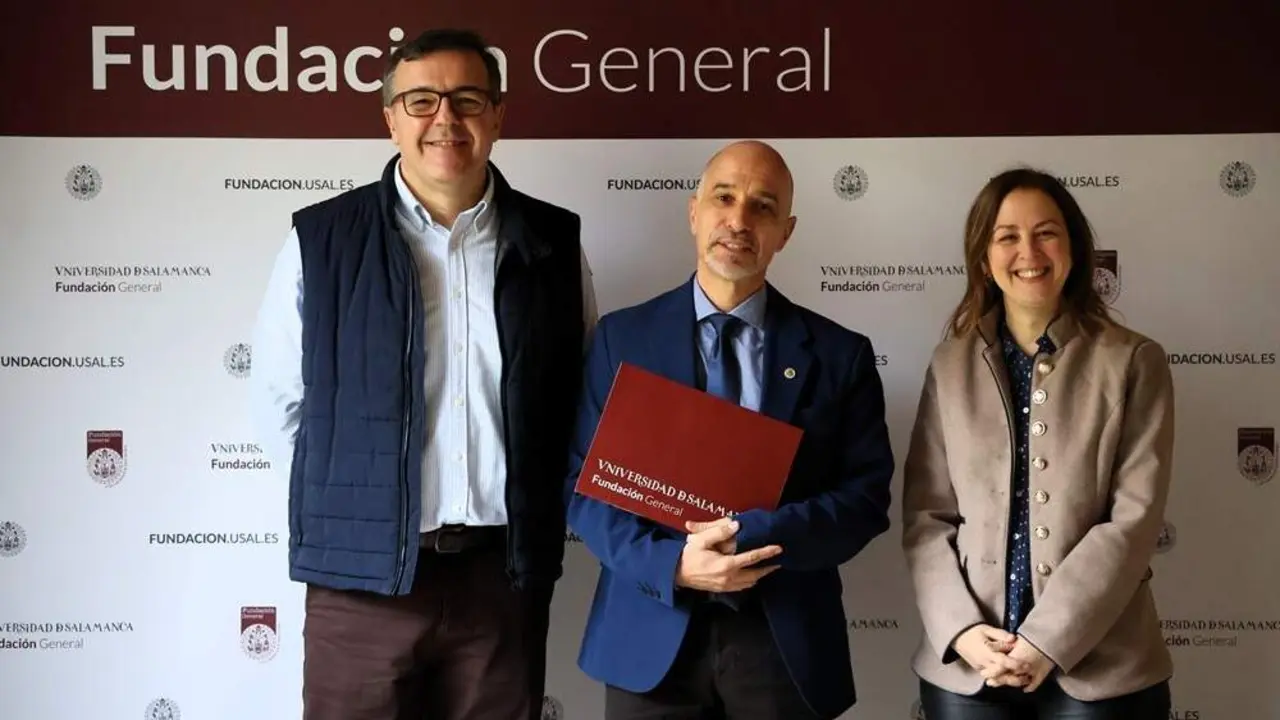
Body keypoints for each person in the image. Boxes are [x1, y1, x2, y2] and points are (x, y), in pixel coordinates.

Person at [248, 27, 597, 720]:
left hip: (503, 576)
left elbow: (581, 398)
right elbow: (281, 402)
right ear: (390, 118)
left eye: (467, 99)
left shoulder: (553, 242)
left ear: (498, 115)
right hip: (361, 583)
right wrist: (360, 512)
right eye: (421, 100)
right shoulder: (321, 240)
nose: (446, 118)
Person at [562, 140, 896, 720]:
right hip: (649, 634)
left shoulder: (841, 355)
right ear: (694, 212)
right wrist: (671, 565)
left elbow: (865, 500)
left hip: (783, 642)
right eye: (724, 198)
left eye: (762, 207)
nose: (739, 221)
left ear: (785, 232)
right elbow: (583, 487)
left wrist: (757, 536)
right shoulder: (622, 340)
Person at [901, 168, 1175, 718]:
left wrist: (1047, 641)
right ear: (984, 258)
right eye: (1007, 236)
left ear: (1073, 248)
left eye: (1046, 232)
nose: (1028, 251)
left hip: (1104, 669)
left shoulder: (1133, 360)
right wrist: (961, 631)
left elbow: (1134, 521)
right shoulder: (950, 364)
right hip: (971, 666)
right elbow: (926, 517)